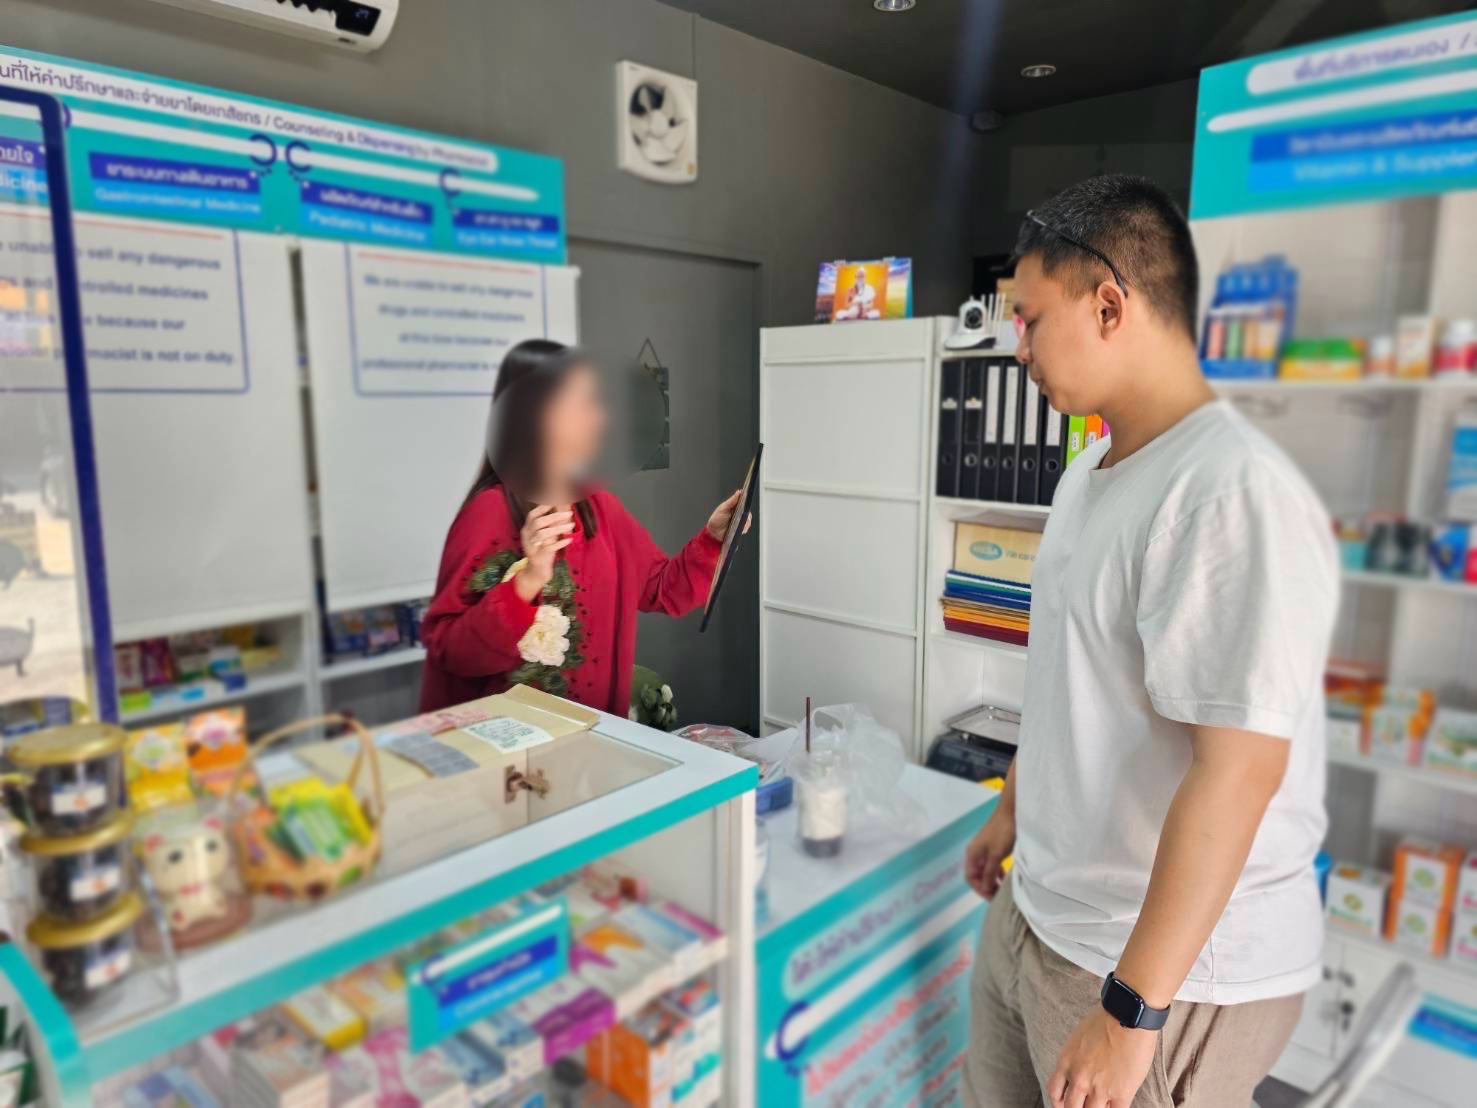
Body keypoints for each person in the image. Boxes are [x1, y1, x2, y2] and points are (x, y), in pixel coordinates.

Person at [962, 176, 1338, 1108]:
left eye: (1029, 320)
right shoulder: (1088, 473)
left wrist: (1130, 1011)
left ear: (1107, 305)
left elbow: (1238, 770)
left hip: (1157, 972)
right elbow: (1072, 680)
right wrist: (1015, 808)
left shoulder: (1227, 492)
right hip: (1041, 912)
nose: (1018, 349)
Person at [419, 339, 744, 716]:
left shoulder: (598, 506)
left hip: (595, 735)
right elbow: (450, 651)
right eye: (584, 403)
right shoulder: (488, 512)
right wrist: (528, 580)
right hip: (515, 742)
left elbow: (661, 588)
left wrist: (713, 539)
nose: (601, 418)